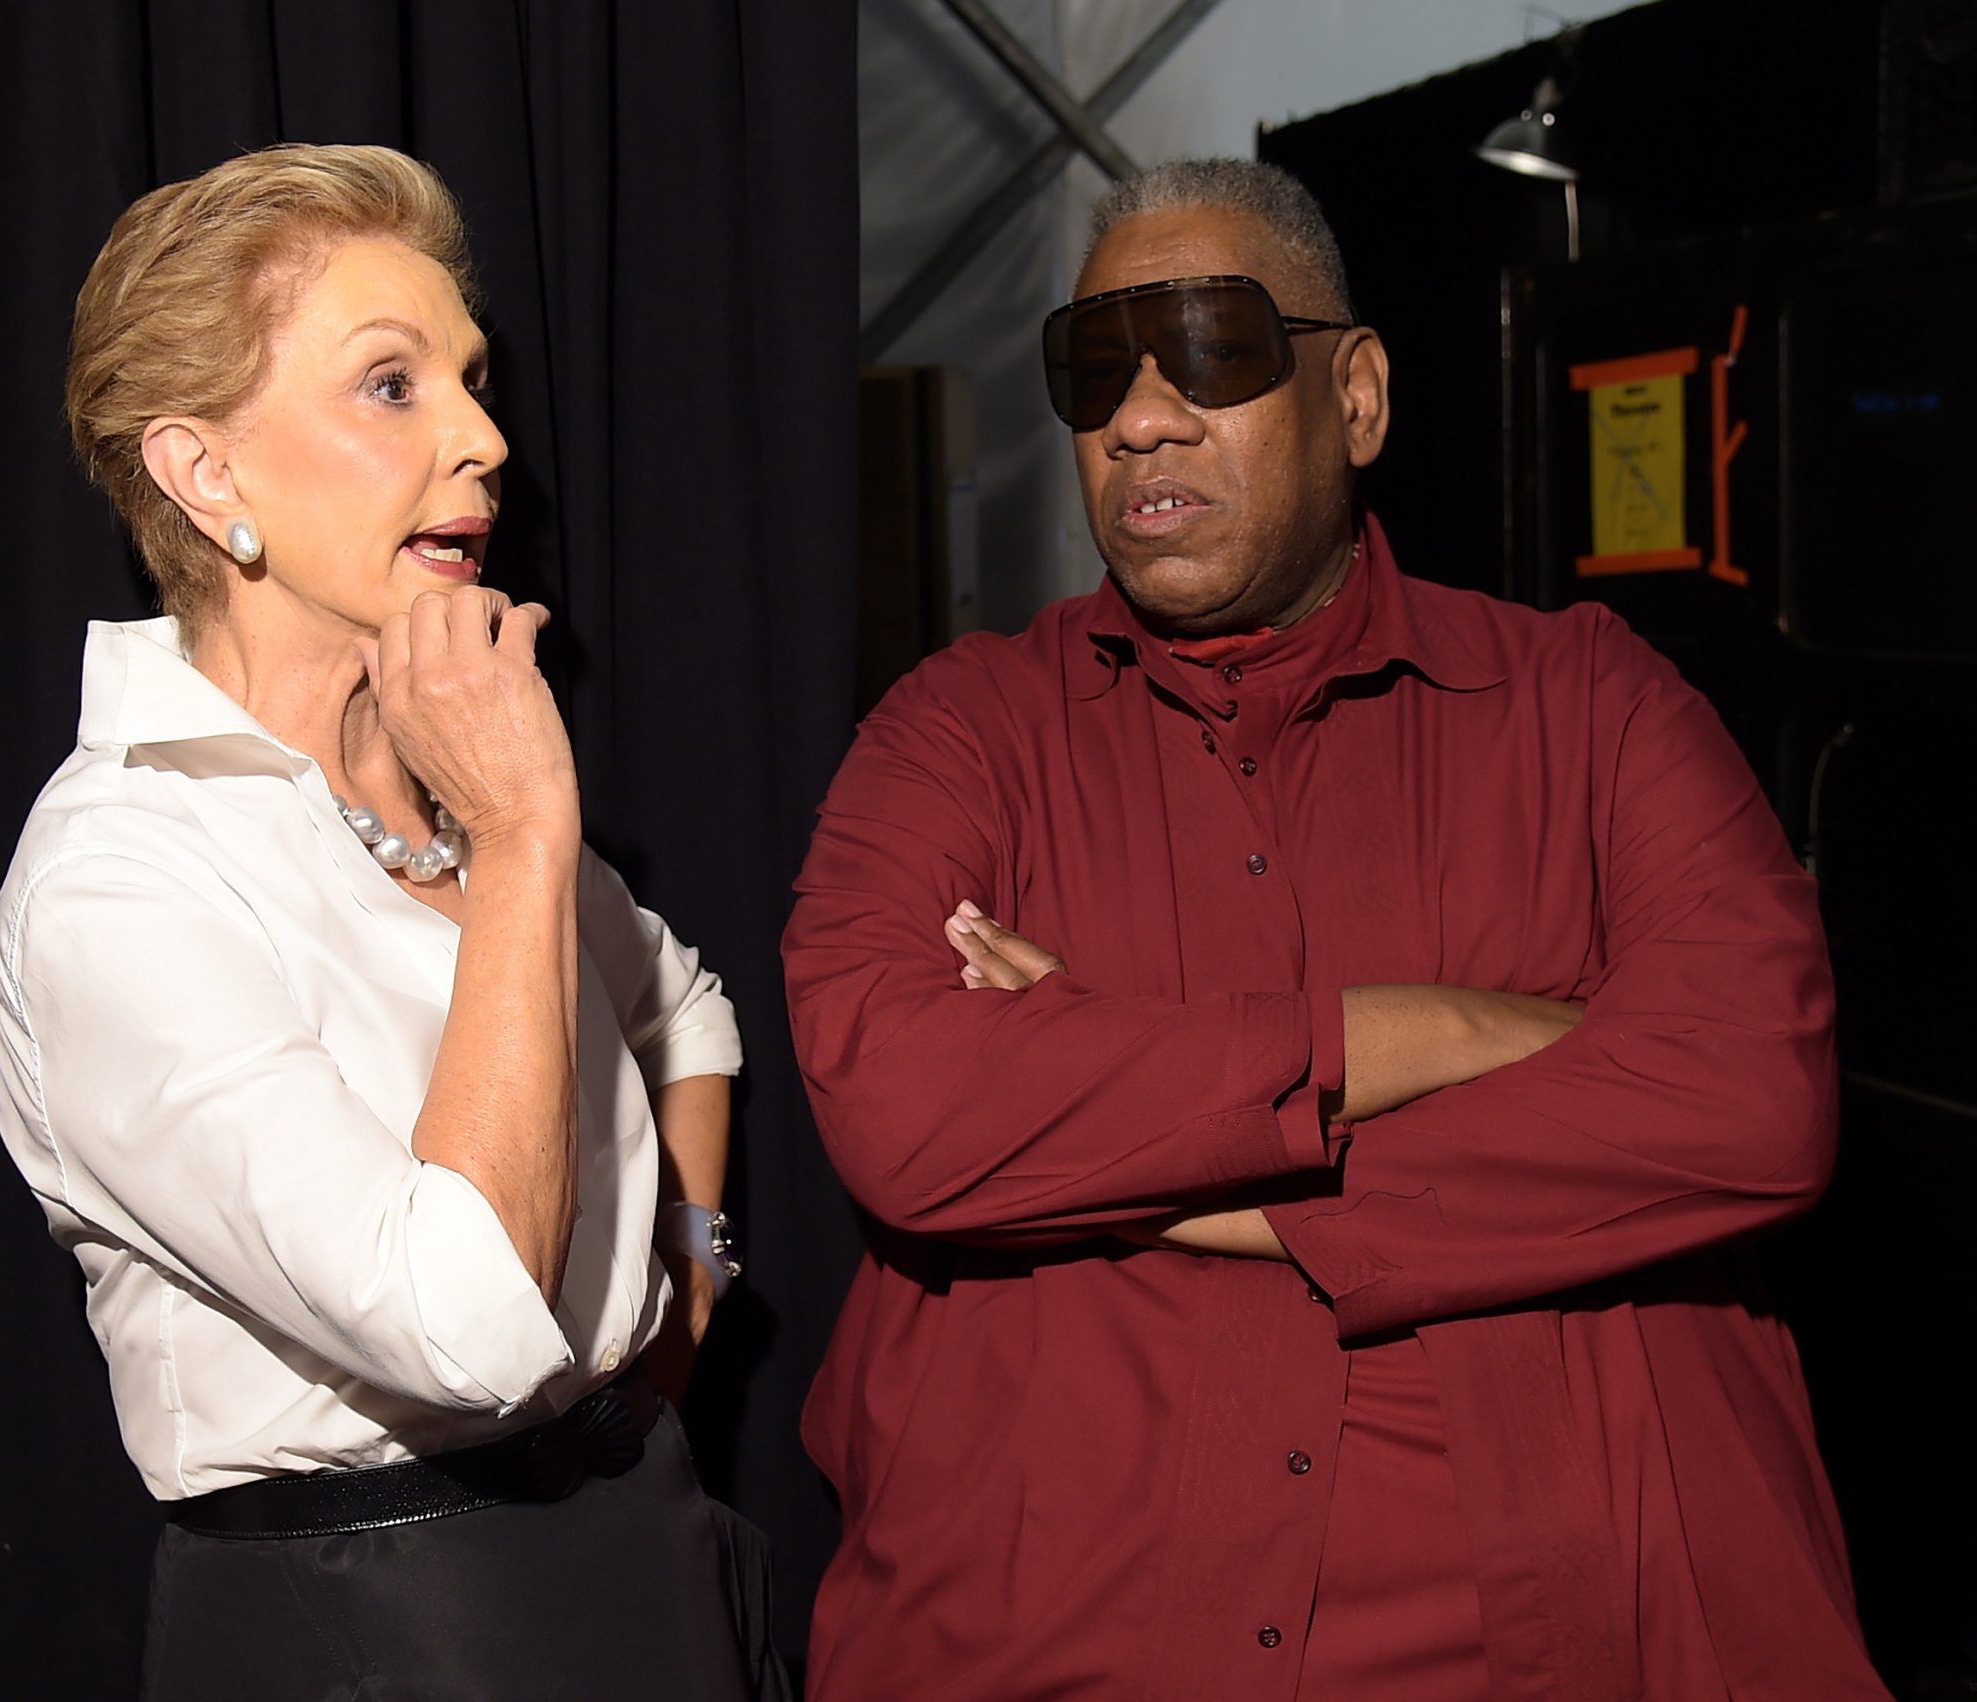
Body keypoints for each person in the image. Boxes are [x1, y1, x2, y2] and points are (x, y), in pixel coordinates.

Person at [784, 159, 1887, 1699]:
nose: (1143, 417)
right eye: (1095, 369)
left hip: (1565, 1644)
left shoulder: (1593, 707)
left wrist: (1158, 1165)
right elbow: (905, 1109)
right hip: (1057, 1643)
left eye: (1212, 350)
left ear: (1355, 396)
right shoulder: (958, 736)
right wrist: (1433, 1034)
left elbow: (1754, 1103)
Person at [0, 144, 780, 1699]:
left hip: (646, 1544)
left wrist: (685, 1272)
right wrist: (531, 829)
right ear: (207, 474)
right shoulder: (118, 877)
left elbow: (686, 1009)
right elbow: (470, 1329)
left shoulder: (433, 766)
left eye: (472, 380)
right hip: (375, 1627)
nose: (487, 439)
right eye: (392, 386)